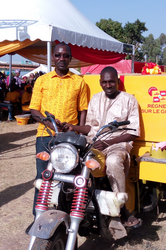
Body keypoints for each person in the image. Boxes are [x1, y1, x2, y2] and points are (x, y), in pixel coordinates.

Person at [64, 66, 141, 235]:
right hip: (95, 143)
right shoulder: (95, 99)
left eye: (112, 81)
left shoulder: (129, 100)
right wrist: (73, 127)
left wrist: (108, 143)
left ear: (118, 82)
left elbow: (133, 132)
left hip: (118, 145)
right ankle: (76, 205)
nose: (108, 85)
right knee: (72, 160)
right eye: (105, 82)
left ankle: (121, 209)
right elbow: (91, 127)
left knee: (113, 162)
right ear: (100, 83)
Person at [29, 42, 89, 217]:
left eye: (65, 55)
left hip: (70, 139)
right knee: (43, 177)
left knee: (68, 180)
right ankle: (38, 218)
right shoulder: (42, 80)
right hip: (45, 137)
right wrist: (50, 124)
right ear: (53, 57)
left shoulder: (79, 82)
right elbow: (34, 110)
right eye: (58, 55)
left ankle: (64, 217)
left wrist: (80, 133)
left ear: (70, 58)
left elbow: (82, 109)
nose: (61, 58)